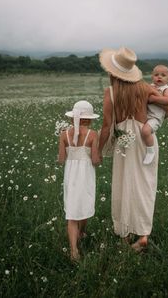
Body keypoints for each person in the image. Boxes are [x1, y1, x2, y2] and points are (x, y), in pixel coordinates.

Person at [98, 47, 168, 252]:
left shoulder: (111, 93)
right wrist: (153, 120)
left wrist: (97, 151)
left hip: (125, 140)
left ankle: (124, 234)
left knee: (123, 185)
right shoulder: (144, 88)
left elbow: (106, 127)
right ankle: (143, 235)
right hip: (143, 136)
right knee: (145, 186)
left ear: (112, 72)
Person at [58, 100, 100, 261]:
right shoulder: (92, 135)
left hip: (71, 174)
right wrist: (99, 158)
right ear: (89, 119)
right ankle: (82, 232)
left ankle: (73, 250)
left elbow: (61, 159)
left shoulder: (64, 135)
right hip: (86, 174)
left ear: (73, 118)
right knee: (84, 202)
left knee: (72, 209)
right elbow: (95, 160)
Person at [142, 64, 168, 164]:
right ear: (152, 77)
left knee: (145, 131)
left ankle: (150, 151)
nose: (159, 77)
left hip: (155, 117)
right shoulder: (150, 86)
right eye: (156, 74)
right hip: (146, 114)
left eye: (163, 75)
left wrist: (154, 98)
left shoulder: (166, 89)